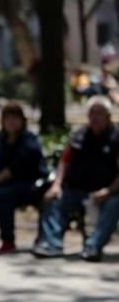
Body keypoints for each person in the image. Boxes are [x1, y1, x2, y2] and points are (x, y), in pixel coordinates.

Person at [32, 96, 119, 262]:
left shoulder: (116, 137)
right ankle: (52, 244)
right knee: (54, 198)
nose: (95, 117)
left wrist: (108, 191)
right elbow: (64, 162)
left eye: (99, 113)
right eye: (92, 113)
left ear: (109, 116)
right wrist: (57, 185)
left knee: (115, 204)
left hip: (108, 192)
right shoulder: (80, 135)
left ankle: (93, 247)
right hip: (77, 190)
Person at [0, 102, 47, 253]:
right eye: (7, 118)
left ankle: (8, 240)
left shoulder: (29, 140)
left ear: (22, 120)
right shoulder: (3, 139)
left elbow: (13, 168)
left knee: (3, 194)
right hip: (6, 184)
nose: (11, 122)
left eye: (15, 118)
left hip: (30, 184)